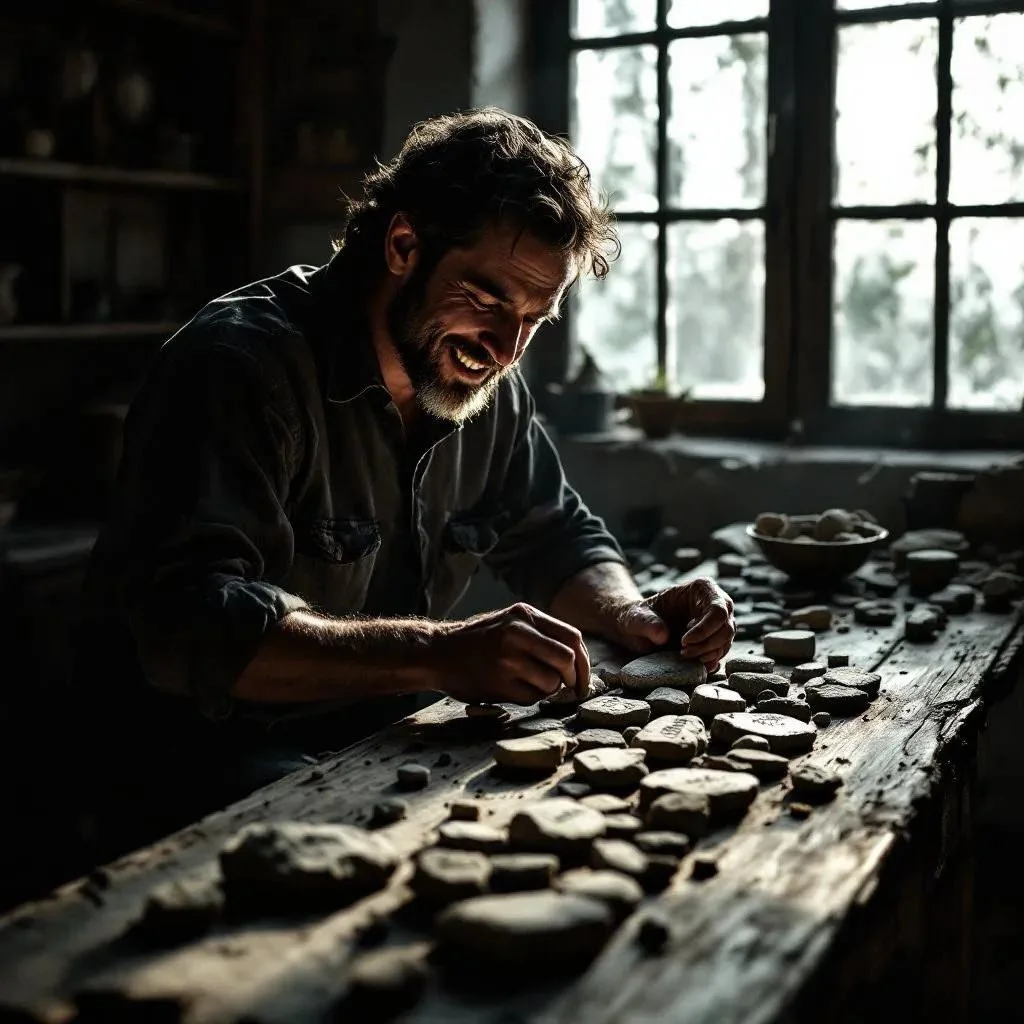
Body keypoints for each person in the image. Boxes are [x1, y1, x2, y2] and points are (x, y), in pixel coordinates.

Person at [72, 108, 734, 852]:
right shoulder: (239, 368)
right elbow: (195, 624)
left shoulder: (484, 382)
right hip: (197, 775)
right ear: (403, 245)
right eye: (486, 302)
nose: (507, 348)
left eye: (533, 319)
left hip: (381, 746)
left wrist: (628, 612)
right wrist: (437, 652)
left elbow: (554, 534)